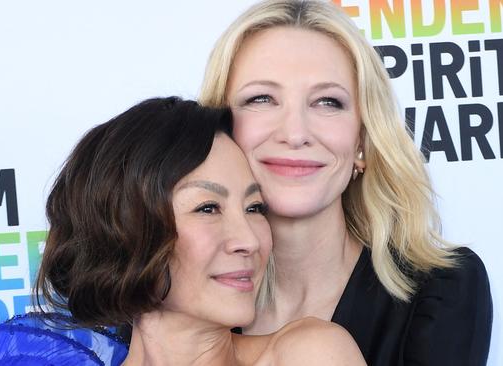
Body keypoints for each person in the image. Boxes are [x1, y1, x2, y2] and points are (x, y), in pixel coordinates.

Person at [199, 1, 493, 365]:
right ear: (220, 129)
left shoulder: (442, 290)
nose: (295, 133)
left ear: (362, 142)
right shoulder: (172, 288)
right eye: (261, 98)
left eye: (327, 102)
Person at [35, 97, 365, 365]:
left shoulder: (309, 355)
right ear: (128, 229)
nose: (249, 240)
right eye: (208, 208)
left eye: (254, 208)